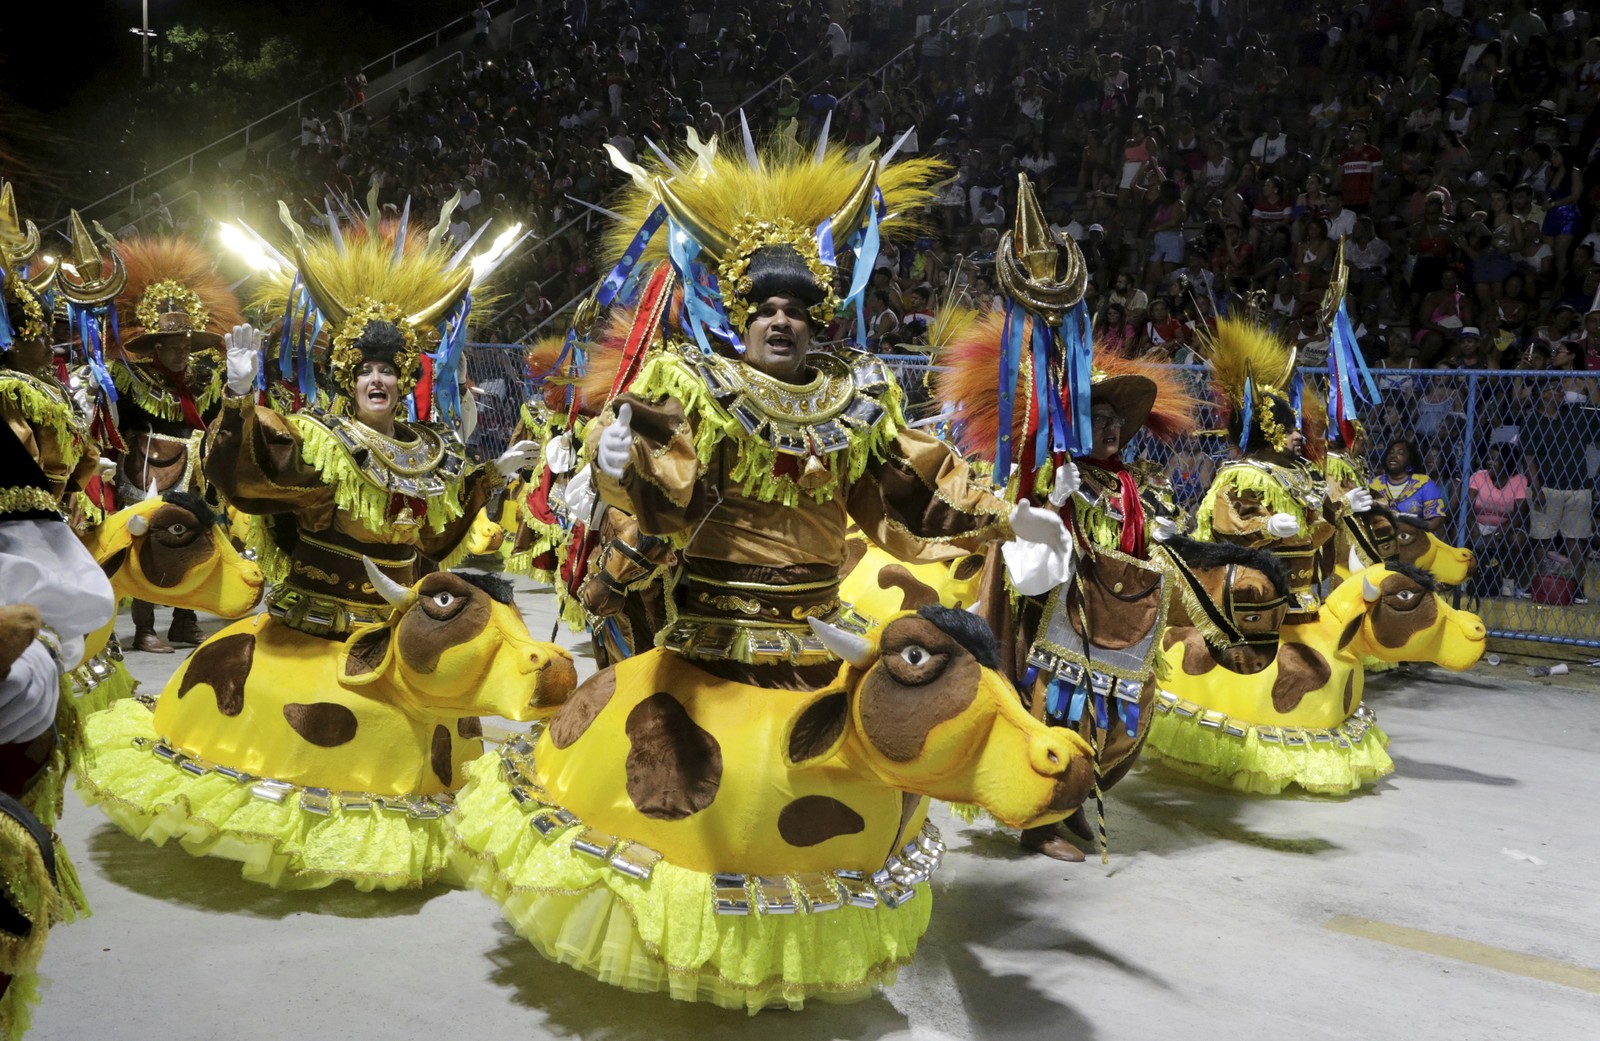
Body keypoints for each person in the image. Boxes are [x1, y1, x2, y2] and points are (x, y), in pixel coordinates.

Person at [108, 236, 244, 653]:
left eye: (187, 347)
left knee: (195, 546)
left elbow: (226, 416)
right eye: (174, 347)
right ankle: (146, 629)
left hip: (196, 478)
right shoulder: (131, 380)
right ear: (156, 348)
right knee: (149, 547)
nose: (183, 354)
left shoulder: (205, 381)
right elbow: (119, 429)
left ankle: (184, 622)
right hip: (147, 474)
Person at [1196, 319, 1362, 621]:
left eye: (1295, 429)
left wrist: (1340, 508)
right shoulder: (1245, 475)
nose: (1299, 437)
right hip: (1257, 598)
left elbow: (1310, 537)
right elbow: (1226, 525)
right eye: (1287, 430)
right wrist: (1265, 527)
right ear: (1265, 432)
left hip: (1302, 594)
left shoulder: (1300, 473)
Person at [1466, 445, 1530, 598]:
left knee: (1517, 540)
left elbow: (1518, 516)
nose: (1488, 462)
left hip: (1505, 527)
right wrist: (1475, 530)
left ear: (1507, 461)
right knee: (1460, 531)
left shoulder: (1519, 480)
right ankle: (1464, 577)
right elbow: (1467, 507)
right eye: (1488, 458)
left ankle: (1508, 582)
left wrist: (1496, 535)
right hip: (1477, 524)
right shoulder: (1478, 476)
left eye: (1494, 459)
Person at [1371, 437, 1448, 531]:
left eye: (1400, 453)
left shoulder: (1424, 484)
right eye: (1391, 452)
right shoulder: (1374, 484)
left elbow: (1437, 521)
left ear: (1410, 460)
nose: (1393, 456)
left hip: (1417, 540)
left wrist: (1414, 529)